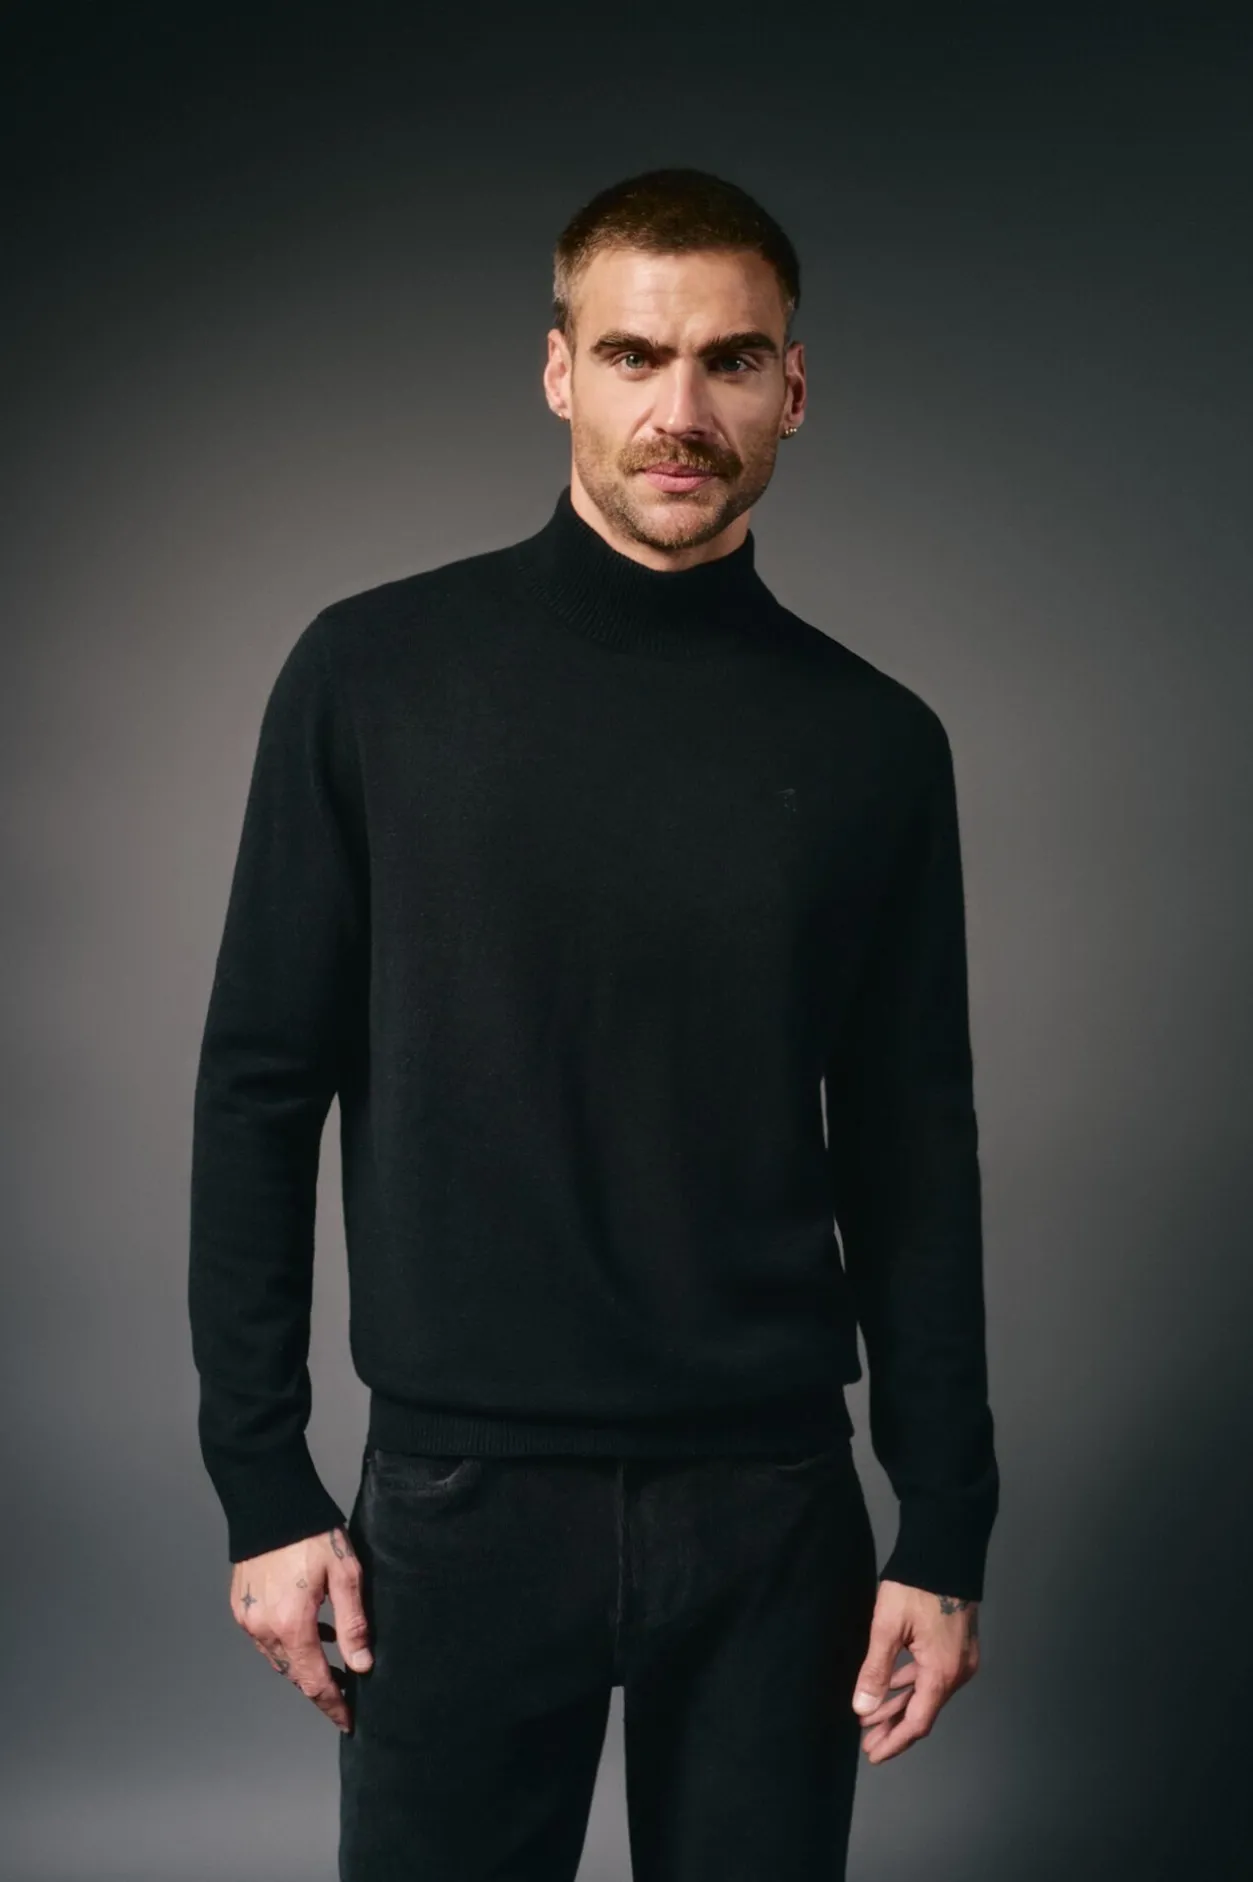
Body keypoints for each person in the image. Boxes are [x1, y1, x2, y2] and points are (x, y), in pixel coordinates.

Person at [188, 165, 999, 1881]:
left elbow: (914, 1151)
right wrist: (262, 1481)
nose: (679, 409)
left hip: (773, 1507)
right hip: (459, 1504)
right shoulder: (371, 675)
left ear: (794, 386)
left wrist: (944, 1522)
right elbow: (260, 1084)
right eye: (636, 354)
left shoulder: (877, 743)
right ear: (560, 370)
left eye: (730, 359)